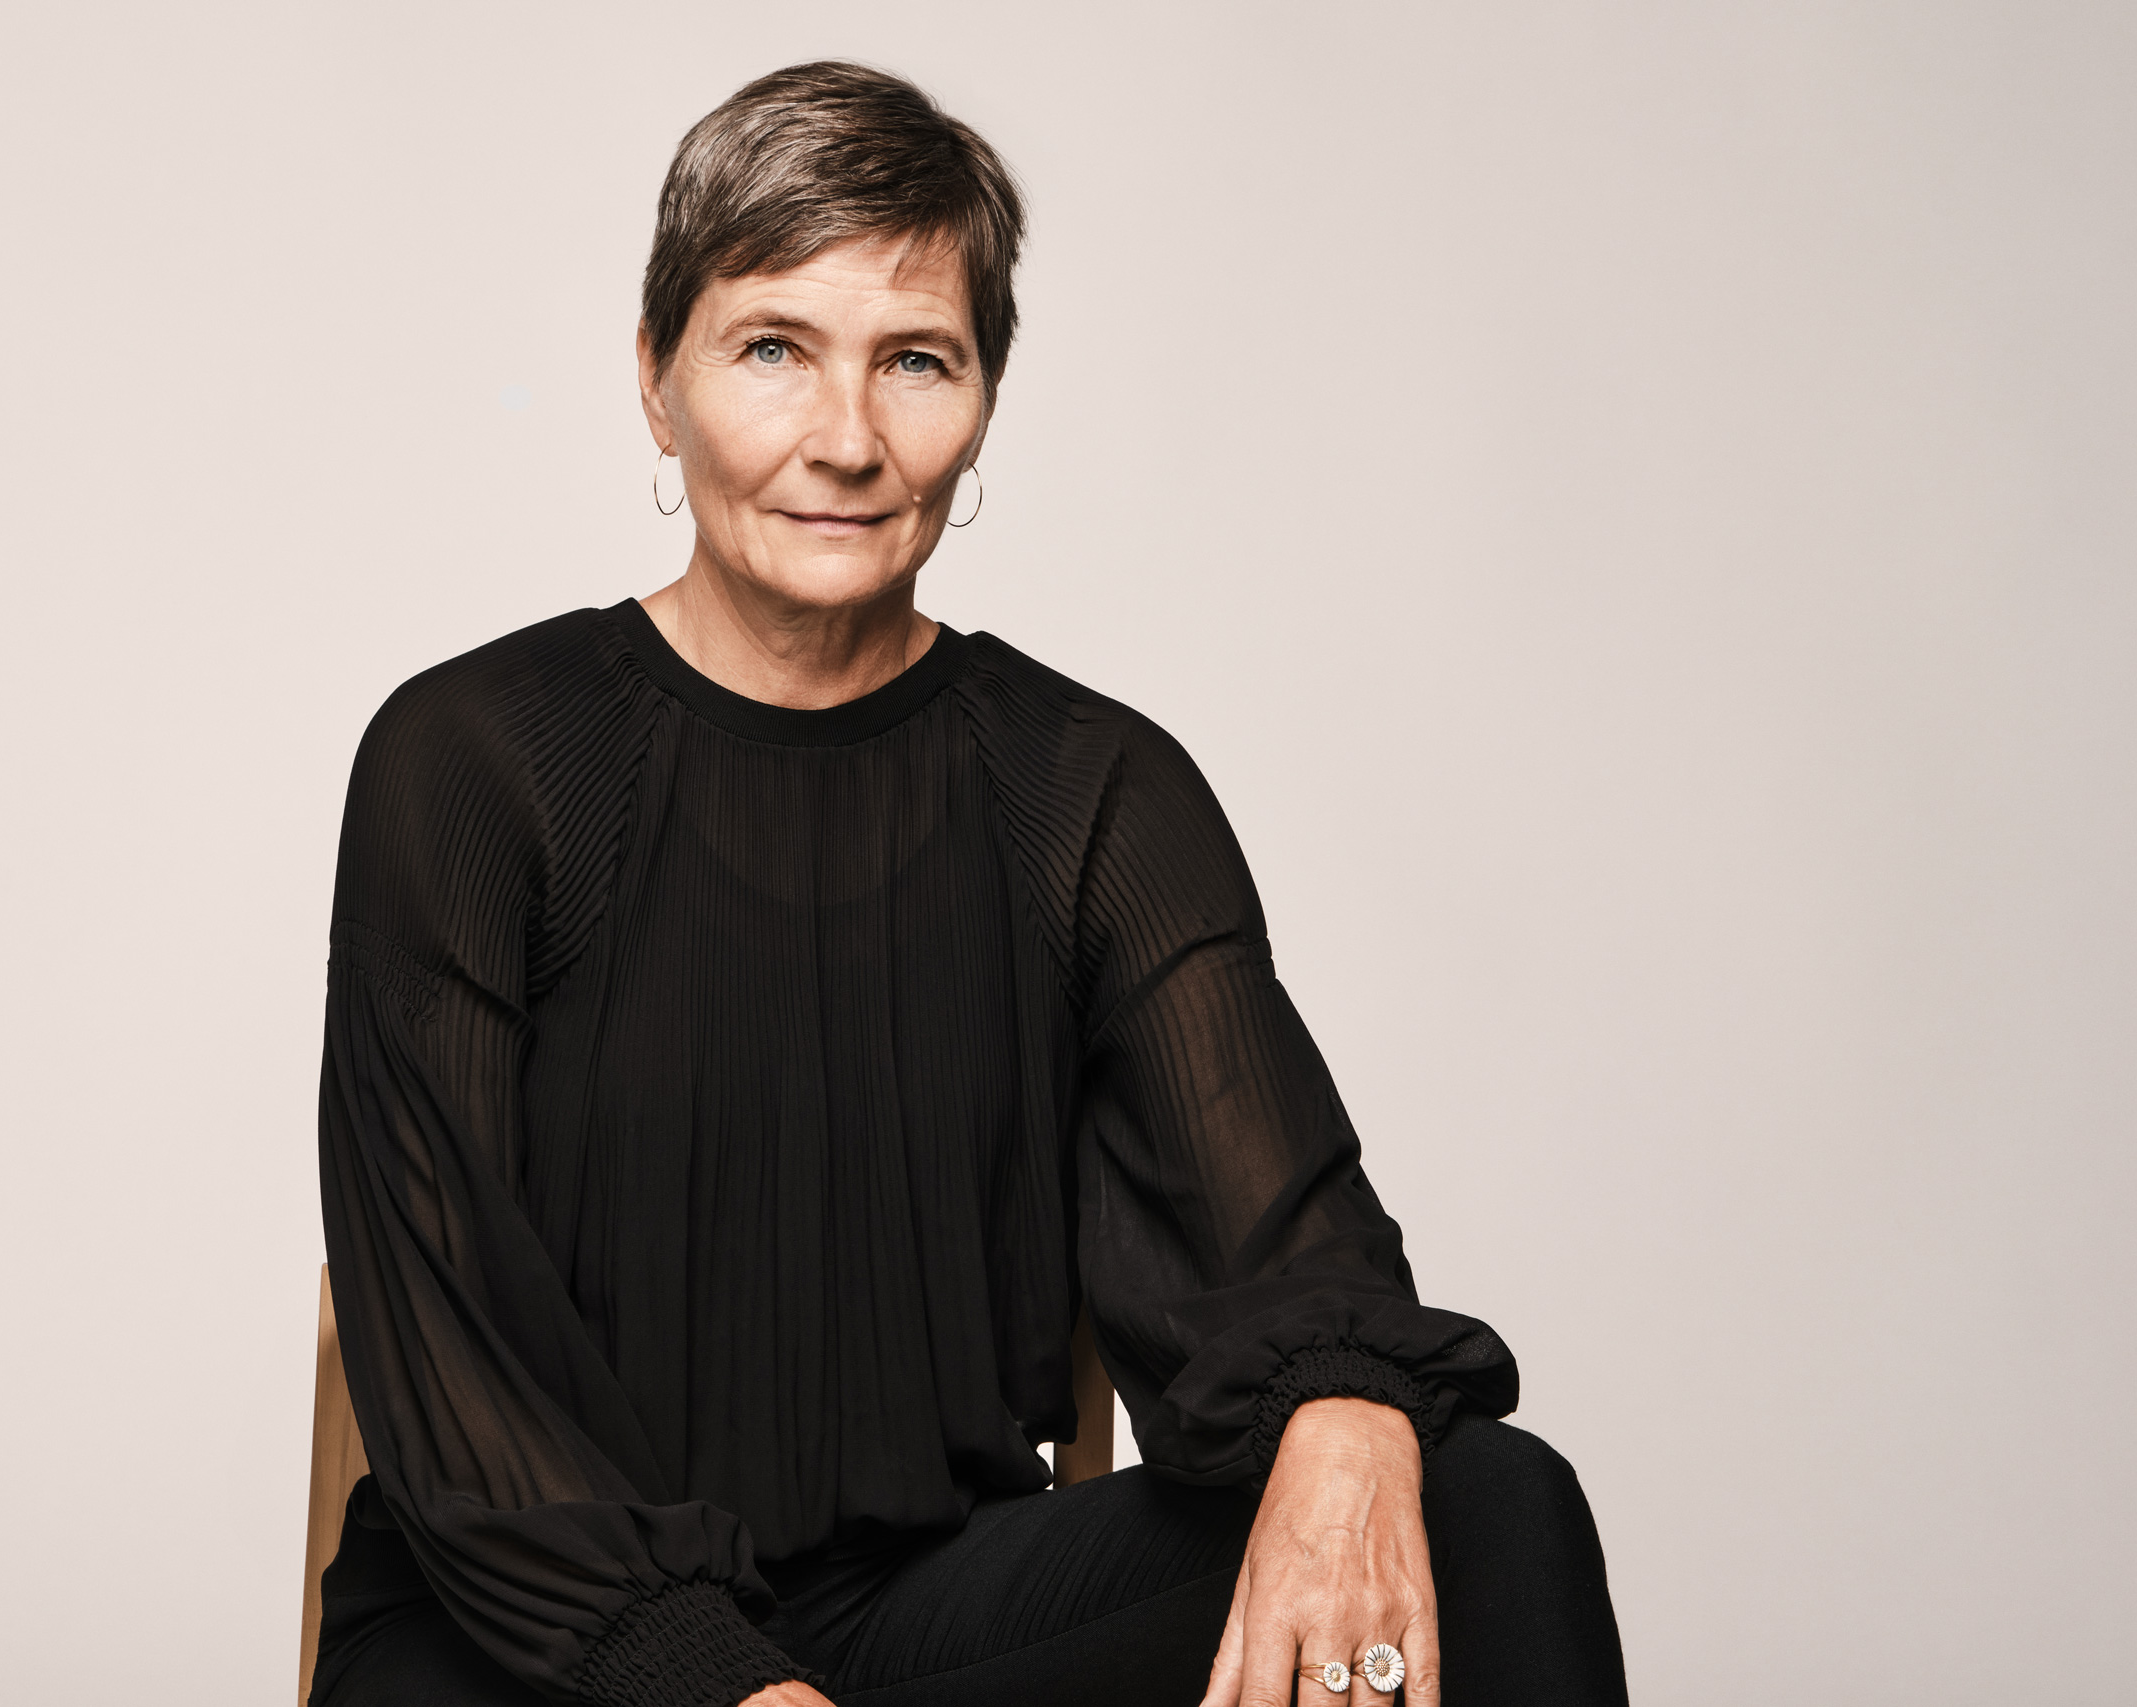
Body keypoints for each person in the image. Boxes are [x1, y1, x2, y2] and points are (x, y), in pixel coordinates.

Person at [313, 60, 1624, 1707]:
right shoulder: (470, 761)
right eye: (773, 348)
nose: (848, 441)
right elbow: (452, 1343)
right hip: (519, 1638)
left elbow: (1284, 1241)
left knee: (1489, 1506)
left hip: (919, 1620)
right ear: (657, 380)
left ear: (985, 394)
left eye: (915, 361)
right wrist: (714, 1684)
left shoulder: (1090, 789)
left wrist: (1351, 1424)